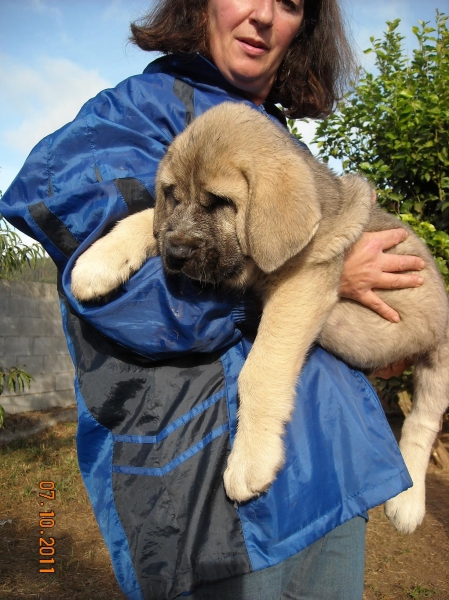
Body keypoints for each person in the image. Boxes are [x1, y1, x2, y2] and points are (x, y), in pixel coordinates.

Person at [1, 1, 425, 599]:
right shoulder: (129, 117)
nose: (263, 16)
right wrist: (315, 278)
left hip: (335, 477)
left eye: (290, 3)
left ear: (305, 27)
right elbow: (125, 302)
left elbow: (314, 293)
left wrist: (367, 332)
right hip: (217, 507)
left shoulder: (274, 135)